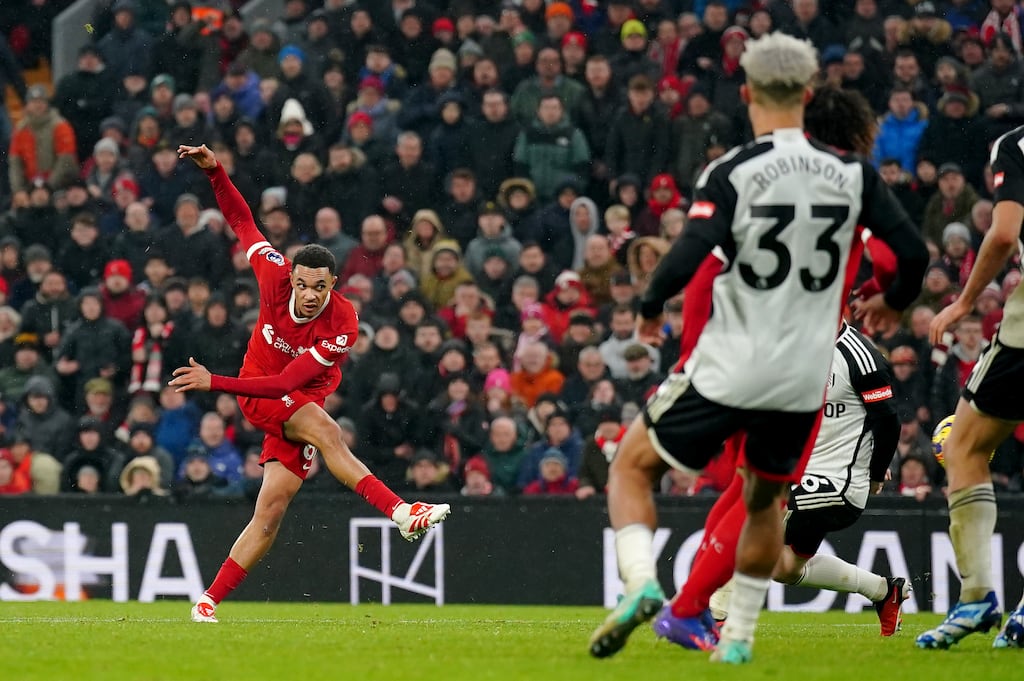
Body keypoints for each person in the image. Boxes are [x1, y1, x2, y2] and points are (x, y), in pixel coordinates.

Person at [588, 34, 929, 665]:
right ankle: (736, 633)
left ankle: (641, 587)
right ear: (808, 94)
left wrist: (648, 305)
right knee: (764, 499)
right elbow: (912, 256)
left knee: (632, 467)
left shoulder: (734, 171)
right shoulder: (854, 176)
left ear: (743, 93)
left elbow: (688, 257)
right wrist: (894, 301)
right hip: (803, 375)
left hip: (733, 358)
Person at [168, 144, 450, 624]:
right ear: (292, 277)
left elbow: (287, 381)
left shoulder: (343, 324)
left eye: (321, 286)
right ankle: (401, 513)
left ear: (333, 283)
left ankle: (207, 600)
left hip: (283, 395)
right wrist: (216, 171)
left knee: (270, 513)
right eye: (304, 284)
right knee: (328, 431)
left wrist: (214, 382)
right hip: (259, 396)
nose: (311, 294)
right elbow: (242, 222)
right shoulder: (272, 275)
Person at [916, 120, 1024, 649]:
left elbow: (1004, 232)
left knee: (963, 445)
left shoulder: (1016, 145)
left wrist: (963, 300)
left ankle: (977, 596)